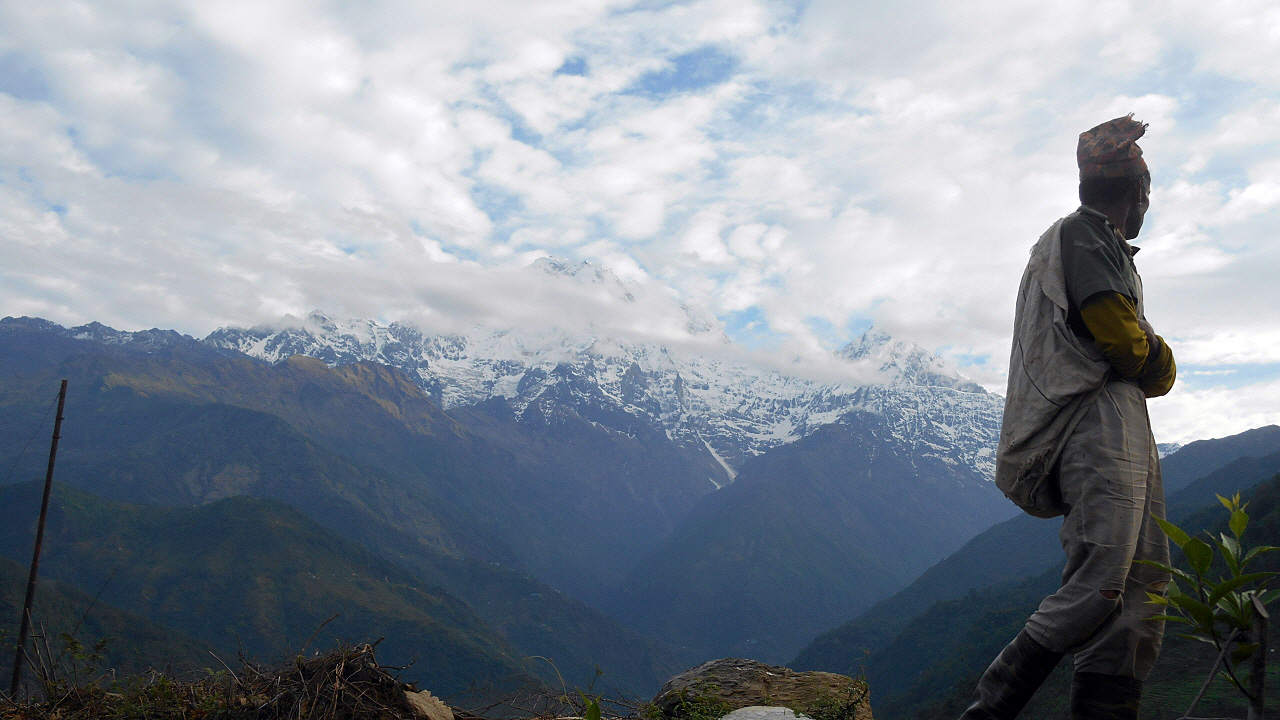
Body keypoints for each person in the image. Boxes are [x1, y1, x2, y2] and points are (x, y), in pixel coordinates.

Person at [964, 115, 1177, 720]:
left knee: (1142, 587)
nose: (1146, 206)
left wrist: (1146, 358)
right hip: (1096, 418)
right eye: (1147, 195)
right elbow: (1124, 342)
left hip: (1123, 419)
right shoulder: (1084, 237)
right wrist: (1159, 356)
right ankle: (986, 710)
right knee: (1102, 580)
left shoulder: (1097, 245)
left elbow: (1132, 346)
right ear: (1136, 193)